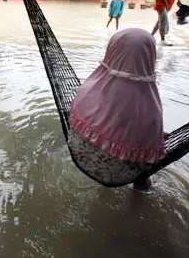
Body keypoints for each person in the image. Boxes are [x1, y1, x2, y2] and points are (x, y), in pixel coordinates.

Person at [68, 28, 165, 190]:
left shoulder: (89, 87)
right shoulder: (148, 105)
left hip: (82, 155)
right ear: (149, 56)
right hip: (118, 173)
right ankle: (141, 191)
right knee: (147, 171)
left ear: (112, 50)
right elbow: (148, 141)